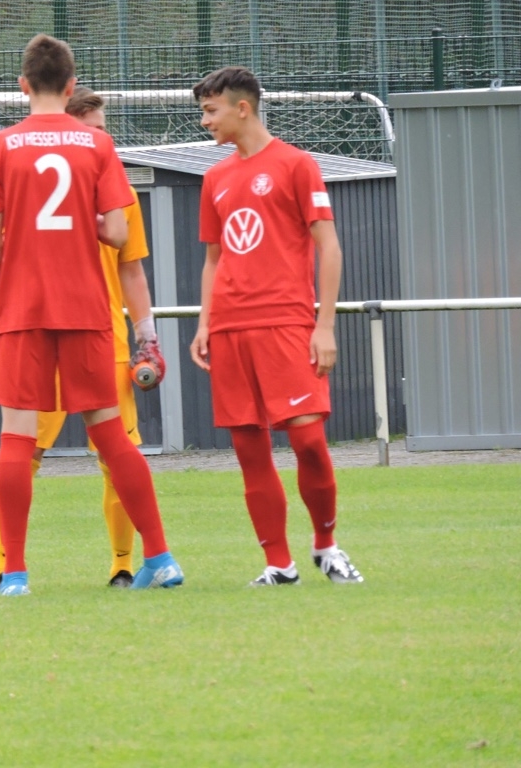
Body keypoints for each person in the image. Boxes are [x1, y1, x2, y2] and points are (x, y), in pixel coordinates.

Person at [0, 33, 182, 596]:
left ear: (23, 86)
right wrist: (79, 219)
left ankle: (14, 574)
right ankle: (160, 557)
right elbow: (116, 232)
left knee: (18, 438)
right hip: (87, 308)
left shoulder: (0, 145)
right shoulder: (97, 145)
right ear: (70, 87)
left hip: (23, 309)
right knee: (112, 437)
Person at [189, 65, 363, 586]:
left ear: (242, 108)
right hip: (230, 328)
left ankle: (326, 546)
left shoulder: (296, 164)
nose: (205, 122)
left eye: (211, 111)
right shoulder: (215, 178)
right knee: (249, 450)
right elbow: (214, 260)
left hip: (286, 323)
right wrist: (205, 323)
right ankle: (278, 564)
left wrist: (323, 326)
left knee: (308, 441)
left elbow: (329, 246)